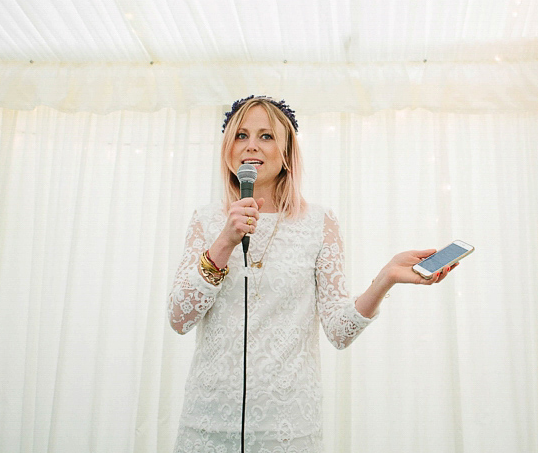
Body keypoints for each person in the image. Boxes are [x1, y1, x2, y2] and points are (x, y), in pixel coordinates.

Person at [168, 96, 456, 452]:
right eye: (241, 135)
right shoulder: (206, 220)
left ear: (287, 152)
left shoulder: (318, 222)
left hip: (288, 427)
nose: (252, 146)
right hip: (208, 423)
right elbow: (179, 318)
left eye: (266, 136)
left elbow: (339, 330)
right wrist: (224, 242)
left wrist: (385, 279)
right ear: (228, 149)